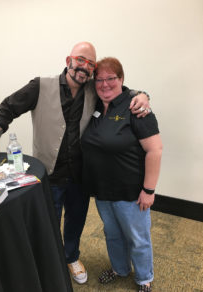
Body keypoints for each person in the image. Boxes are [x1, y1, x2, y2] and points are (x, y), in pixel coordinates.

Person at [0, 43, 151, 284]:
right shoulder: (40, 85)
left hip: (81, 175)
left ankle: (71, 257)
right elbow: (6, 109)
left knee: (76, 221)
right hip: (49, 173)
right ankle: (48, 261)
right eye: (81, 60)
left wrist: (144, 95)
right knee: (47, 223)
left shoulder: (93, 89)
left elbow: (123, 91)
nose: (85, 67)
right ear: (69, 60)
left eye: (91, 63)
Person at [81, 57, 162, 291]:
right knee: (113, 234)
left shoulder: (135, 107)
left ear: (121, 79)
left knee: (137, 238)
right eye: (100, 80)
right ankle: (120, 268)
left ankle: (144, 278)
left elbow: (155, 150)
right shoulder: (95, 104)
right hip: (103, 190)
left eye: (111, 79)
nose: (105, 85)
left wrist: (149, 190)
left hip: (131, 193)